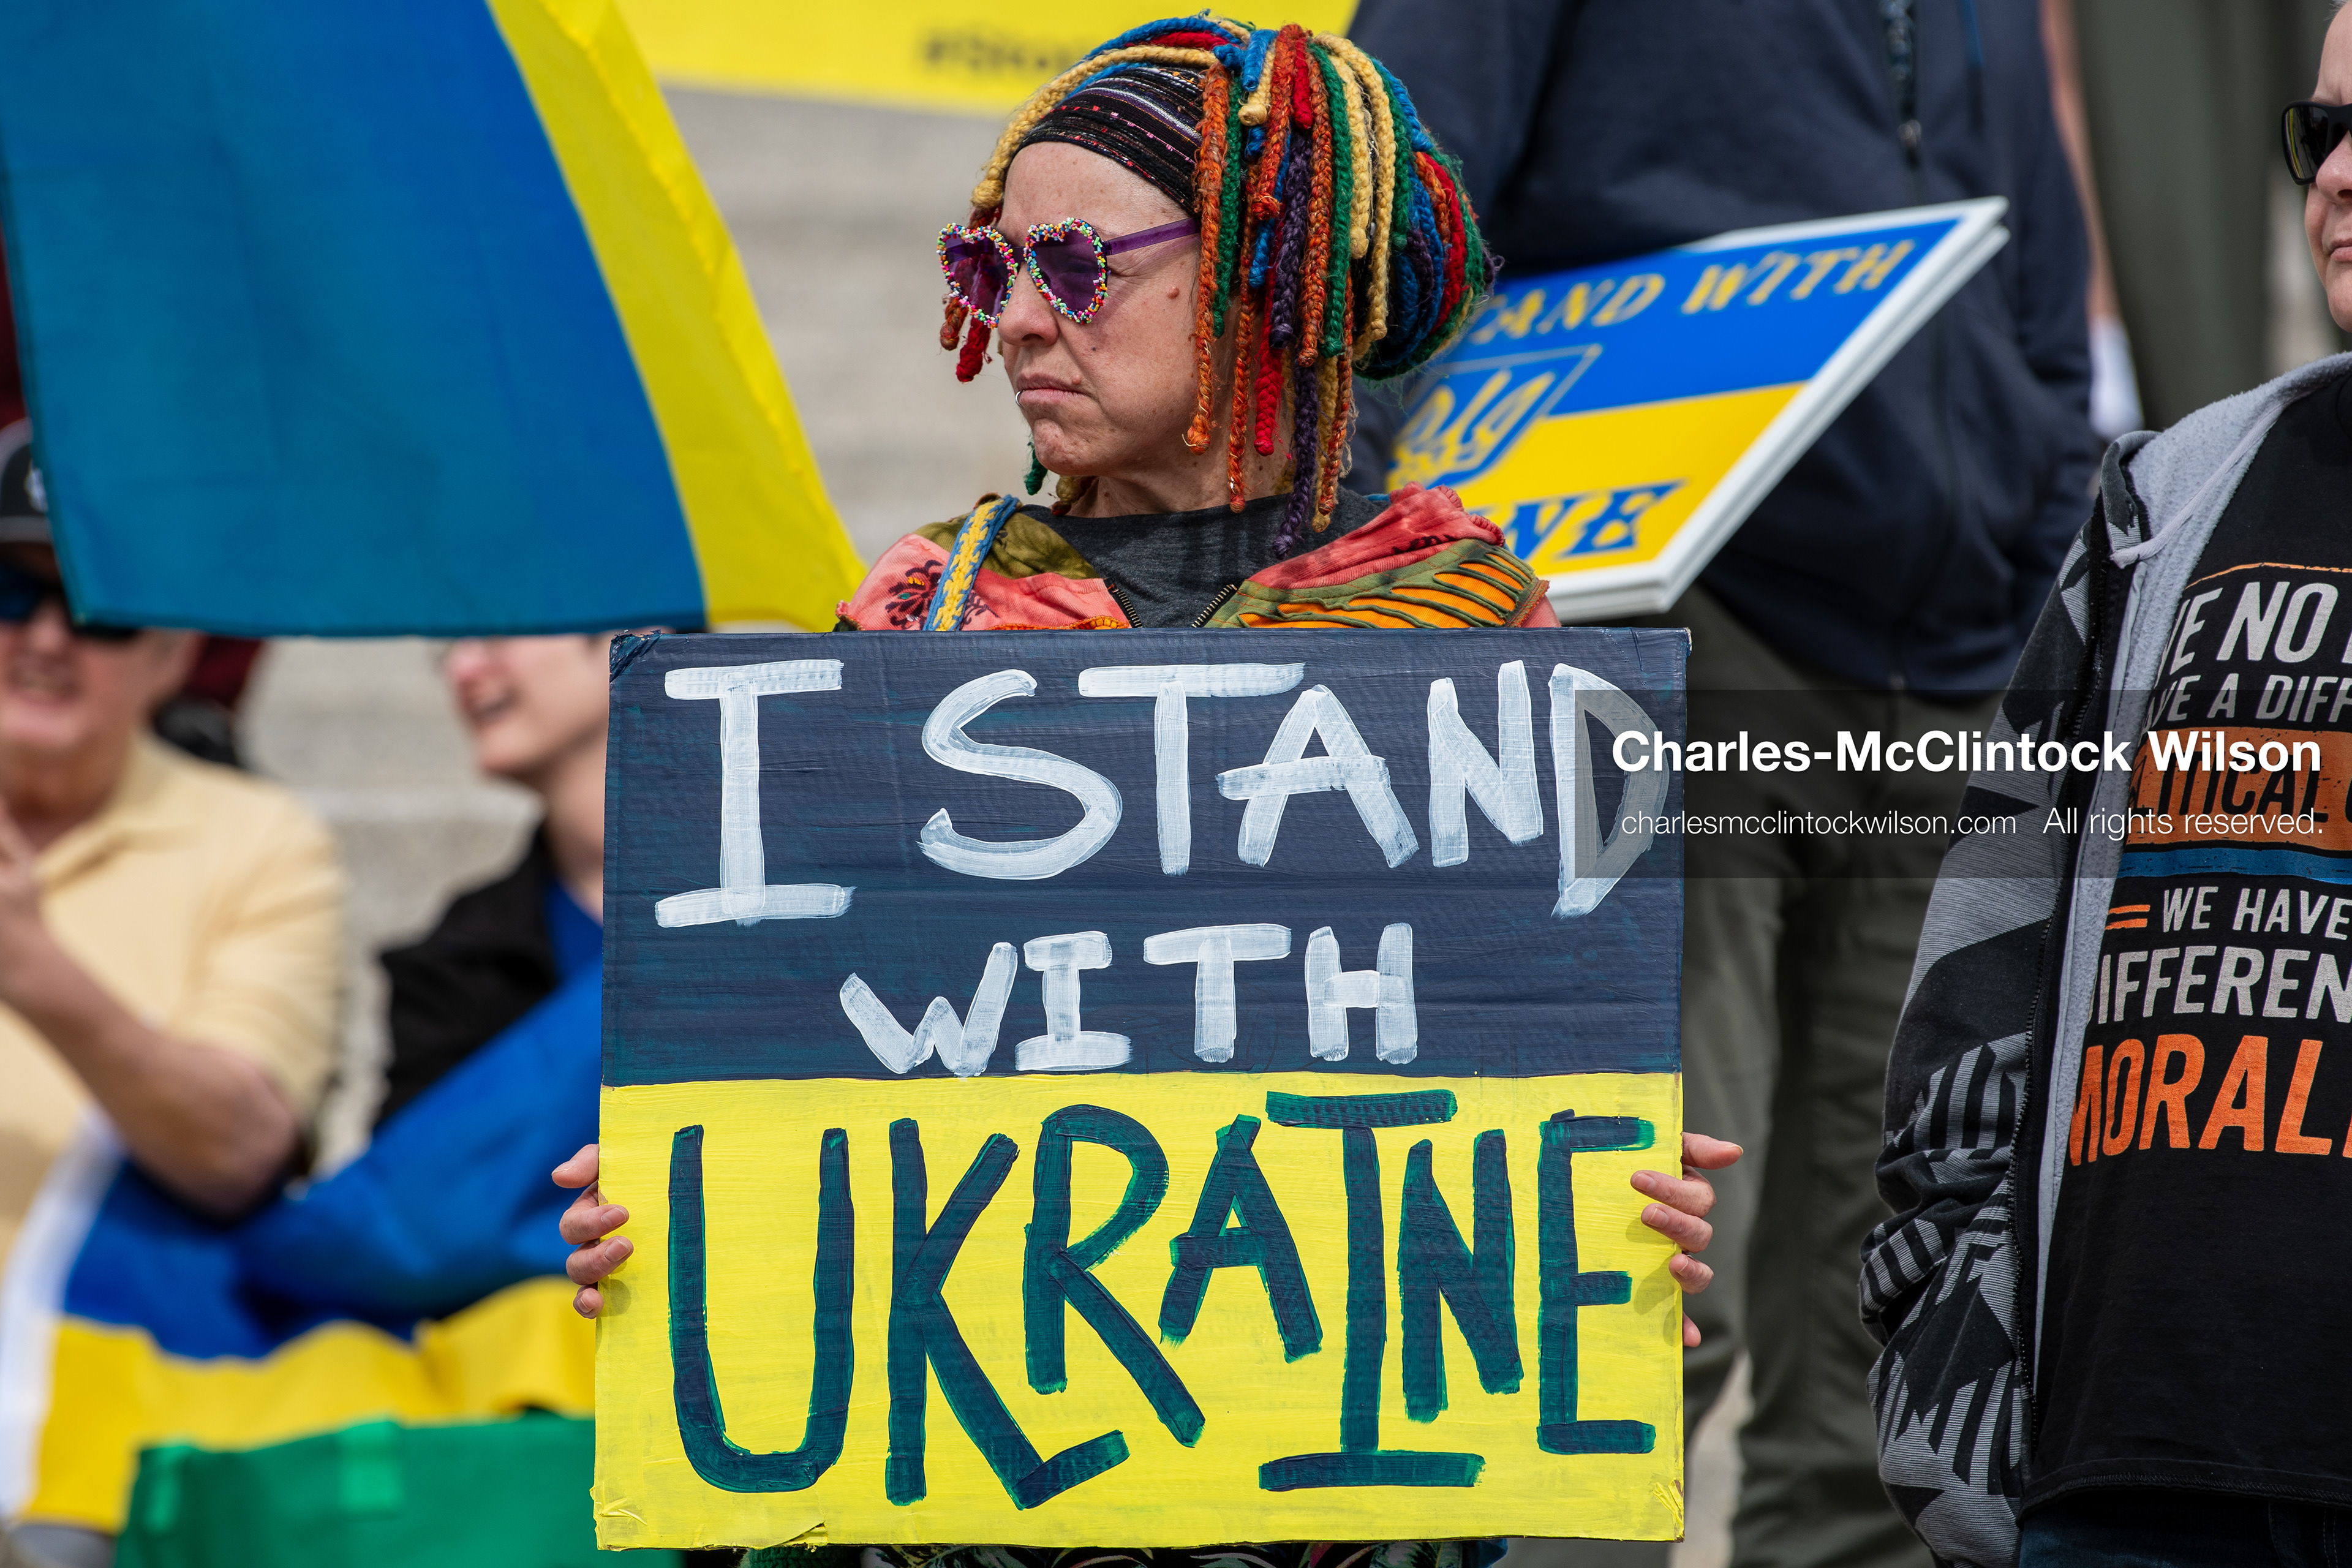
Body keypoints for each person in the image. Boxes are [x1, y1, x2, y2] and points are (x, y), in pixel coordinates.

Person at [557, 18, 1738, 1568]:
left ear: (1261, 272)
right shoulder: (912, 632)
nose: (1023, 322)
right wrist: (678, 1200)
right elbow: (809, 1083)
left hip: (1349, 1509)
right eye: (987, 271)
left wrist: (1618, 1191)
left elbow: (1536, 1090)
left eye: (1070, 265)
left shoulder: (1488, 662)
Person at [1335, 6, 2099, 1565]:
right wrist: (1351, 578)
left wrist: (2036, 542)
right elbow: (1384, 208)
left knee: (1897, 1311)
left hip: (1940, 673)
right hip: (1650, 647)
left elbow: (2031, 267)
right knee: (1641, 1278)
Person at [1866, 12, 2352, 1561]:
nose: (2337, 179)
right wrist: (1951, 1346)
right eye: (2324, 132)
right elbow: (1983, 962)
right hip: (2128, 1469)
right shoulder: (2166, 494)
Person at [0, 428, 344, 1567]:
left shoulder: (261, 841)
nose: (46, 642)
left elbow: (242, 1149)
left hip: (90, 1452)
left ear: (172, 650)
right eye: (11, 595)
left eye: (98, 612)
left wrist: (31, 967)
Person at [375, 633, 610, 1126]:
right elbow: (414, 1181)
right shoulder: (457, 958)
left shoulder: (804, 912)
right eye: (450, 647)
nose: (460, 668)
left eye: (501, 629)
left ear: (638, 630)